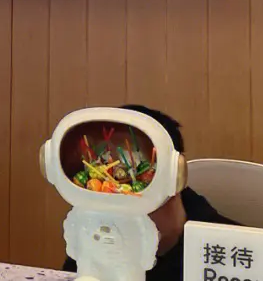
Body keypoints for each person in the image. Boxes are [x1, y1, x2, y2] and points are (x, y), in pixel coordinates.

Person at [63, 105, 237, 281]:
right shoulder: (92, 237)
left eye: (130, 175)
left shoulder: (227, 252)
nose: (113, 188)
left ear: (174, 174)